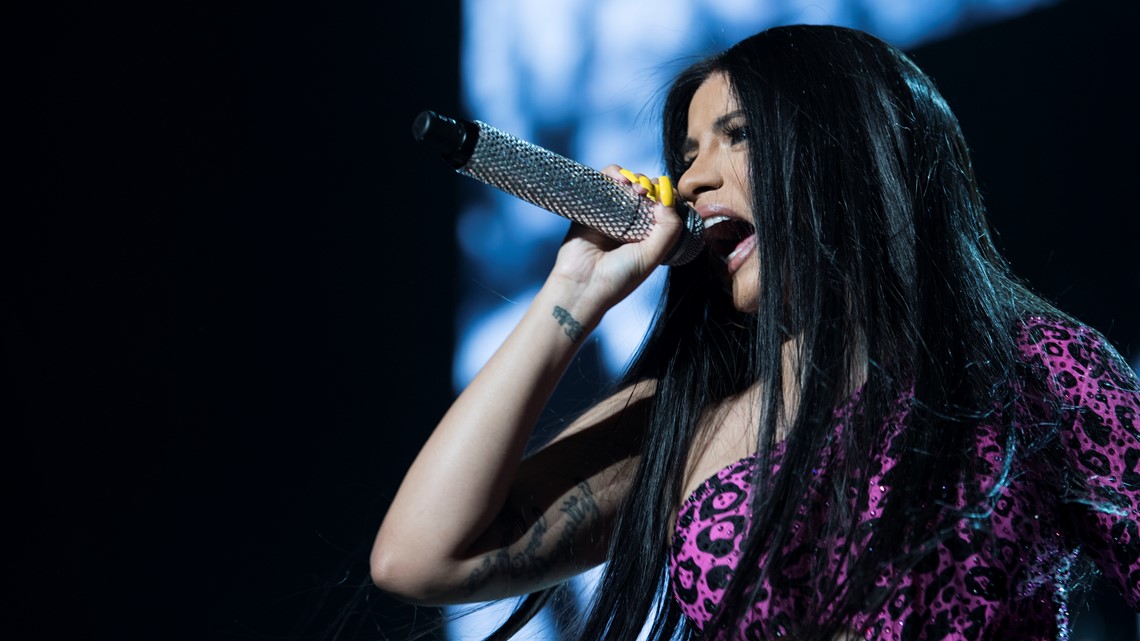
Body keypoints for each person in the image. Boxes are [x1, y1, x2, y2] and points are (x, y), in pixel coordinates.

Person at [370, 24, 1139, 640]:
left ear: (849, 150)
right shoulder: (687, 420)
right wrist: (573, 289)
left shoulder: (1037, 367)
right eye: (686, 156)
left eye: (736, 136)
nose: (694, 179)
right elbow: (421, 556)